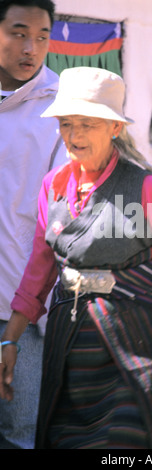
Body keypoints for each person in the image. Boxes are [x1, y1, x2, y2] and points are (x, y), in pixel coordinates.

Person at [0, 66, 152, 449]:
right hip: (70, 345)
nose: (74, 135)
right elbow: (40, 268)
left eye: (87, 124)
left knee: (125, 442)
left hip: (135, 346)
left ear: (114, 128)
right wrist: (10, 341)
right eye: (67, 123)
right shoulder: (54, 187)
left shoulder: (145, 186)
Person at [0, 0, 67, 449]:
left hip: (20, 310)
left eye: (42, 37)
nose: (31, 48)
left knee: (20, 435)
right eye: (19, 33)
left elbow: (62, 214)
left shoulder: (58, 109)